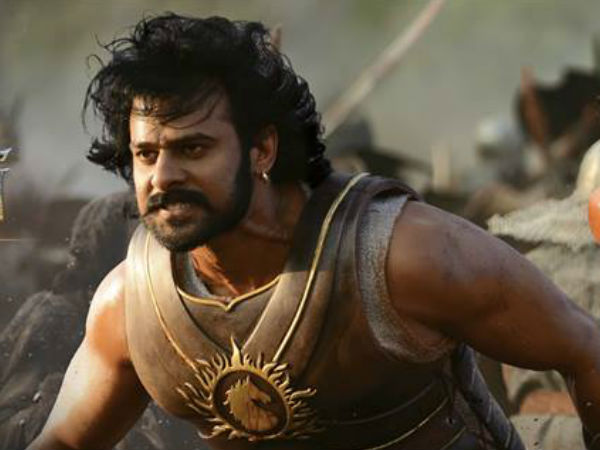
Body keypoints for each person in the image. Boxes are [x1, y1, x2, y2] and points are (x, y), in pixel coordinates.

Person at [27, 13, 600, 450]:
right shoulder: (131, 307)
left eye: (193, 149)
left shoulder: (401, 255)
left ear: (261, 149)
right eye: (146, 154)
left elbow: (586, 350)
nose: (163, 177)